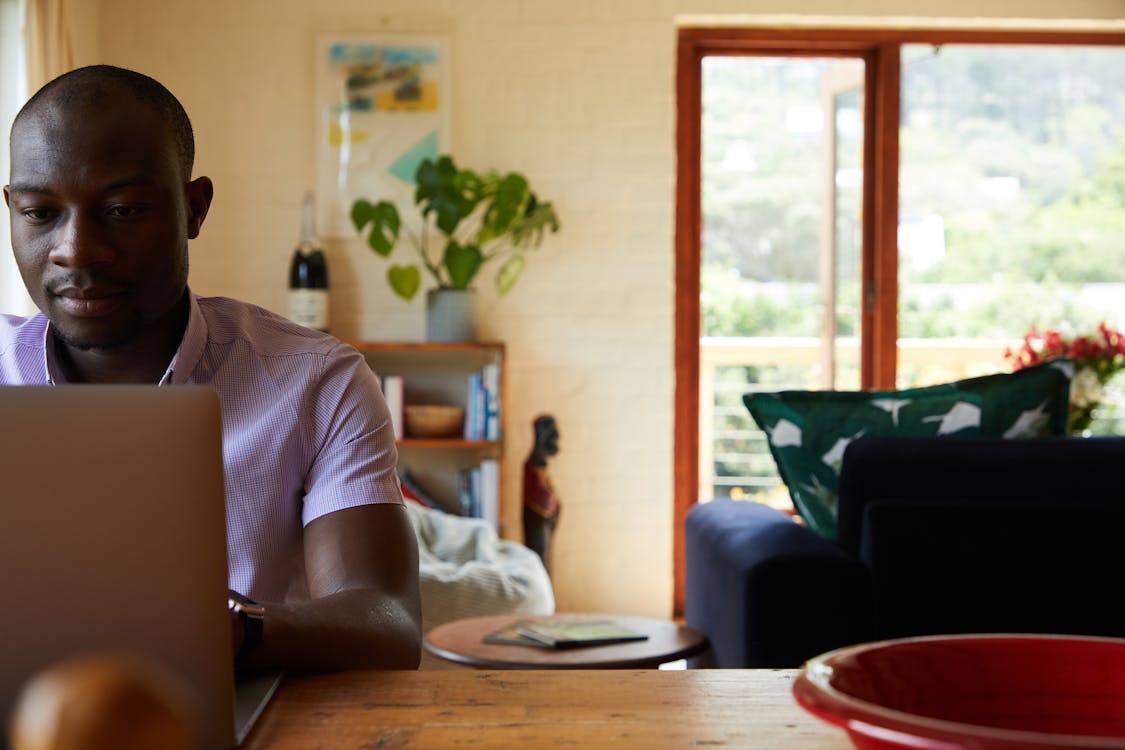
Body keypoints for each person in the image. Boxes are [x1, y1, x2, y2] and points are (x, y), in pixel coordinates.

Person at [1, 65, 421, 672]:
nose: (76, 249)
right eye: (39, 213)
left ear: (194, 209)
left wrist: (225, 630)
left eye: (121, 210)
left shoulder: (317, 383)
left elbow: (388, 622)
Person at [522, 414, 561, 574]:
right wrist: (553, 500)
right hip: (537, 525)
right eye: (554, 435)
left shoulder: (540, 465)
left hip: (543, 524)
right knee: (540, 560)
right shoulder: (533, 464)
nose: (558, 439)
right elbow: (539, 498)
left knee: (545, 560)